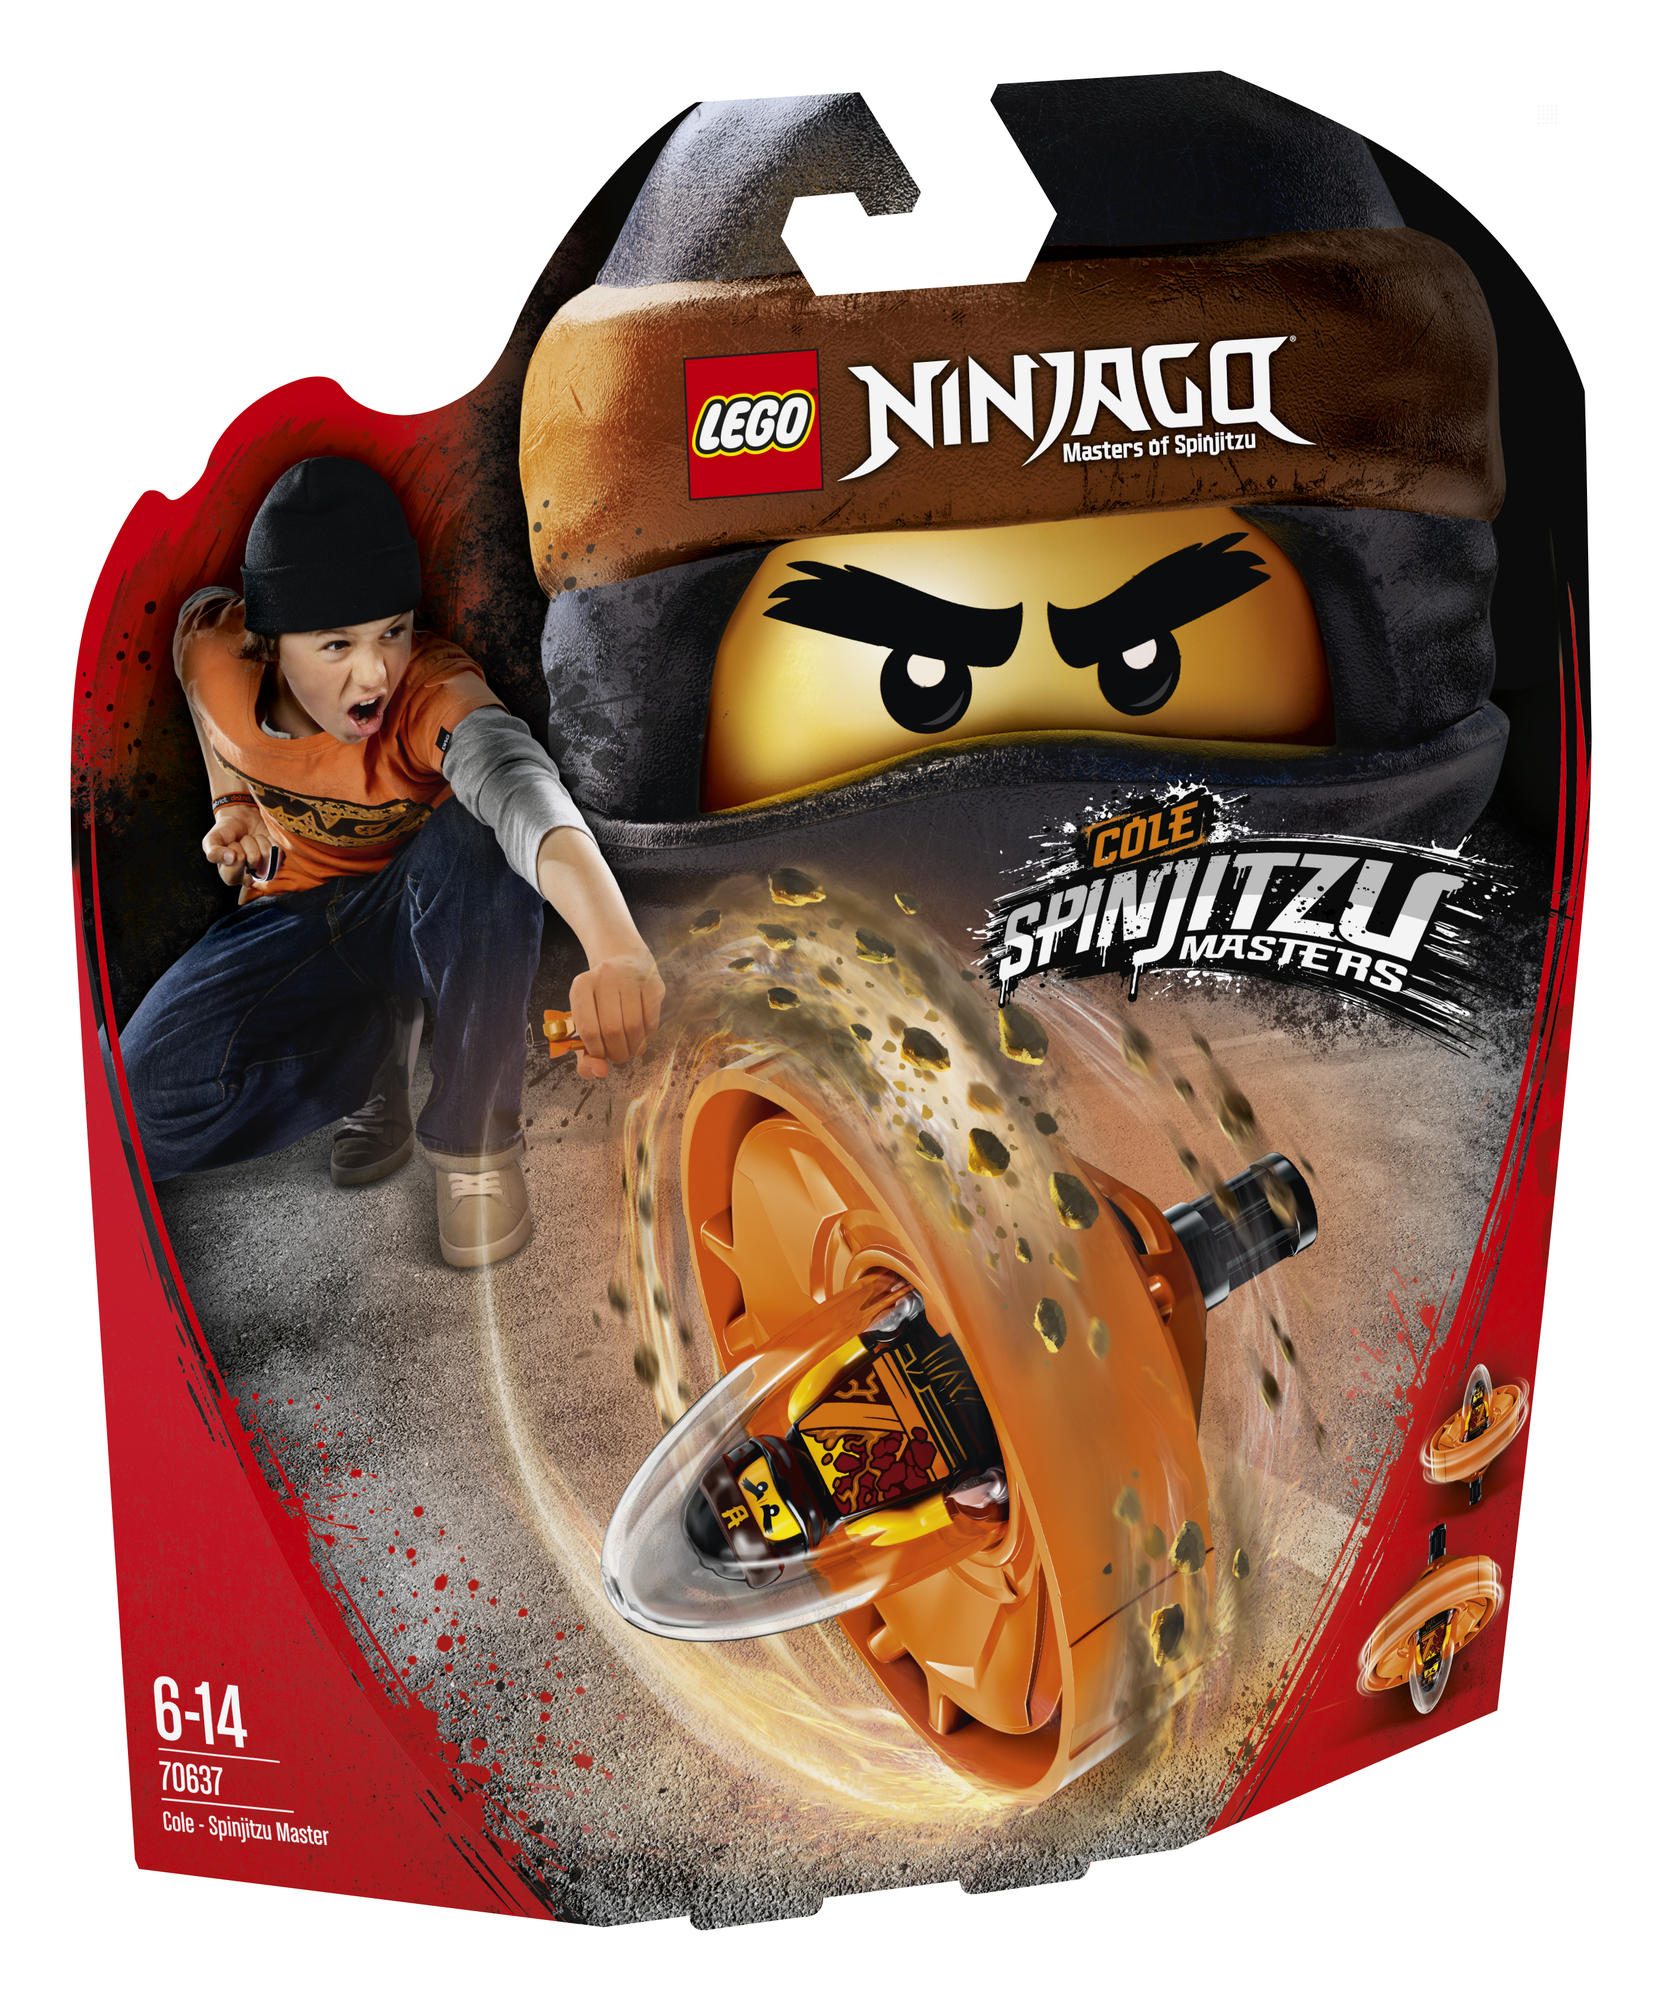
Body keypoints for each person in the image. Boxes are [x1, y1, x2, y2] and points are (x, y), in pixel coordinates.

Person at [121, 455, 664, 1268]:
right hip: (290, 920)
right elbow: (196, 644)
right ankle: (372, 1051)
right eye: (336, 644)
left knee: (481, 830)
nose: (374, 672)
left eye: (392, 632)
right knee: (141, 1106)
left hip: (416, 914)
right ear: (267, 643)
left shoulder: (430, 693)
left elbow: (521, 789)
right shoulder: (214, 651)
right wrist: (230, 802)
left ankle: (475, 1144)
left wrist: (614, 944)